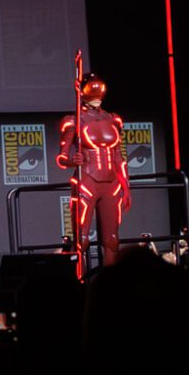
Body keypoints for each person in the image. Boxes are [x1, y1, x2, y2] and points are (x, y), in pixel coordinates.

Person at [57, 73, 130, 278]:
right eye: (92, 91)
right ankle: (79, 281)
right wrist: (73, 160)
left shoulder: (113, 119)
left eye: (100, 92)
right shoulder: (73, 121)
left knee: (112, 239)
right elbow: (62, 158)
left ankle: (111, 284)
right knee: (81, 238)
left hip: (111, 183)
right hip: (87, 180)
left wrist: (126, 186)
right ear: (81, 92)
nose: (97, 96)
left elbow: (118, 156)